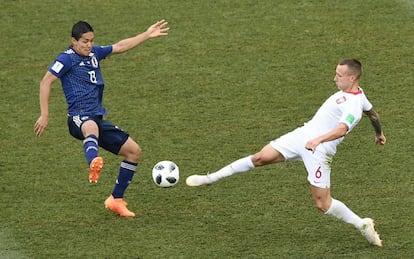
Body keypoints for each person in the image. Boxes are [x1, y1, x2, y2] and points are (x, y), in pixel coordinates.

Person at [186, 59, 386, 247]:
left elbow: (342, 129)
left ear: (352, 78)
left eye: (339, 75)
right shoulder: (358, 94)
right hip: (302, 136)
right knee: (260, 157)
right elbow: (372, 113)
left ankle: (362, 224)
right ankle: (210, 178)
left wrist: (318, 140)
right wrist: (379, 133)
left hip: (319, 151)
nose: (334, 78)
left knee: (322, 203)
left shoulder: (353, 104)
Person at [34, 20, 169, 217]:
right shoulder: (66, 59)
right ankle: (93, 162)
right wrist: (45, 114)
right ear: (73, 41)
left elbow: (120, 46)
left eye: (91, 41)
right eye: (84, 41)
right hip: (78, 117)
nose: (89, 45)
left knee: (133, 151)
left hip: (96, 118)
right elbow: (46, 81)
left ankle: (116, 199)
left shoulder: (94, 53)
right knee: (91, 128)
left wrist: (146, 34)